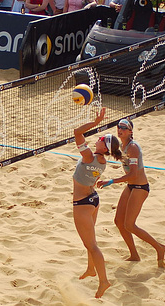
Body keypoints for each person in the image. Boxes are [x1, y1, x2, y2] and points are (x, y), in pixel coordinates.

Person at [97, 119, 165, 268]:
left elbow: (134, 175)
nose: (120, 129)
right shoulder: (122, 146)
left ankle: (160, 248)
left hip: (140, 187)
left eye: (124, 128)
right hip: (131, 187)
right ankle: (134, 255)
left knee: (130, 225)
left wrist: (111, 181)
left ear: (130, 131)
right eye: (119, 127)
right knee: (118, 222)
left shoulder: (133, 148)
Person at [71, 107, 119, 299]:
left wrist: (96, 121)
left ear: (104, 147)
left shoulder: (89, 156)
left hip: (82, 203)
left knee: (92, 245)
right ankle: (91, 269)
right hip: (93, 199)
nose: (98, 137)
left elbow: (77, 132)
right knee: (90, 242)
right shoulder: (102, 160)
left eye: (101, 139)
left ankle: (103, 281)